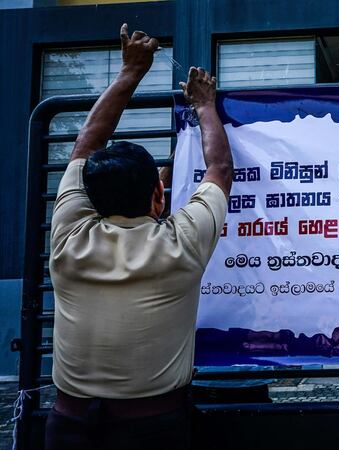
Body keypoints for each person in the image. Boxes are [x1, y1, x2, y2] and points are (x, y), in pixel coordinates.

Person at [45, 23, 233, 450]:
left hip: (68, 426)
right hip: (155, 430)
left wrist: (130, 71)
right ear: (158, 195)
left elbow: (84, 146)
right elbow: (219, 170)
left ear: (87, 198)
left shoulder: (68, 237)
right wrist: (205, 104)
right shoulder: (179, 244)